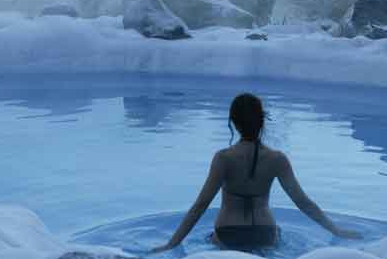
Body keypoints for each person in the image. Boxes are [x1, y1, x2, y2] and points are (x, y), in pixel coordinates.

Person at [151, 93, 361, 253]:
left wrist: (172, 244)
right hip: (265, 234)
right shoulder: (277, 159)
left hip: (228, 234)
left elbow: (200, 206)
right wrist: (337, 231)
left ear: (233, 122)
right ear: (262, 121)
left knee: (209, 240)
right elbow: (303, 202)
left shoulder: (223, 158)